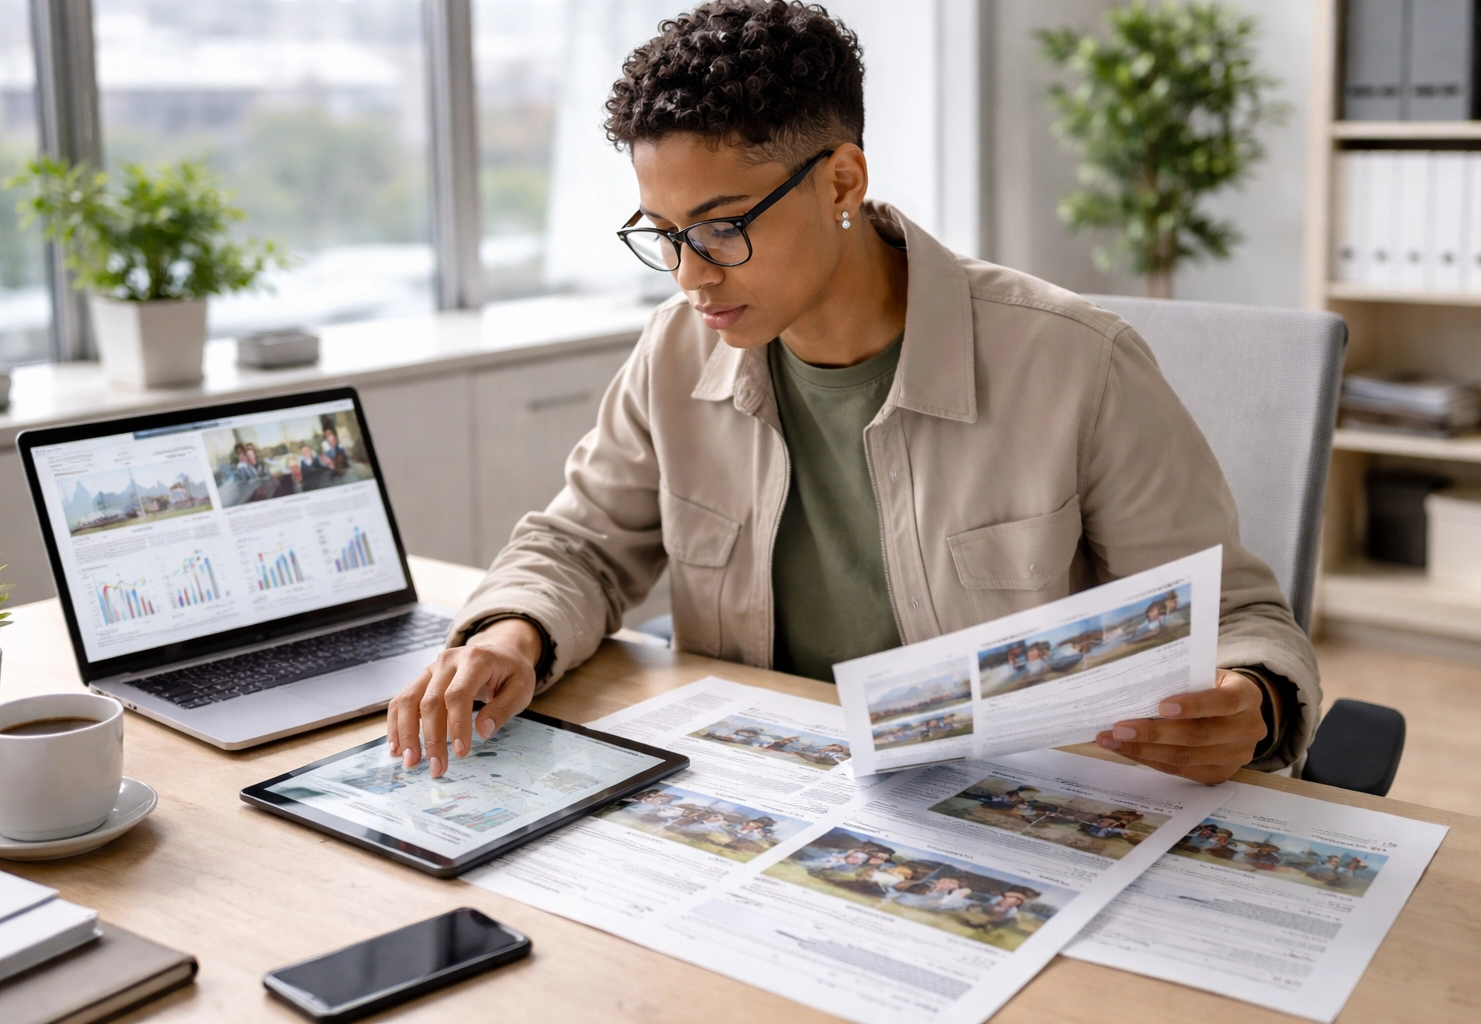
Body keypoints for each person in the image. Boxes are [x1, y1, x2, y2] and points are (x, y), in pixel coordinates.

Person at [388, 0, 1320, 787]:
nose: (687, 276)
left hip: (1016, 809)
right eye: (661, 232)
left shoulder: (1079, 364)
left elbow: (1236, 621)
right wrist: (512, 632)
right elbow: (582, 546)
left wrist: (1250, 697)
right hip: (778, 793)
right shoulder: (677, 353)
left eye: (719, 229)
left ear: (842, 178)